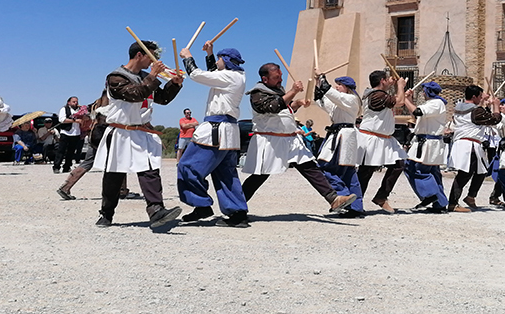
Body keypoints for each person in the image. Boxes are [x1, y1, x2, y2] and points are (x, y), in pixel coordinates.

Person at [241, 63, 356, 216]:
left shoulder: (277, 90)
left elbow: (284, 110)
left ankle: (333, 198)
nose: (280, 80)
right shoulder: (258, 93)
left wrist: (298, 103)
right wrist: (293, 92)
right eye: (276, 77)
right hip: (271, 141)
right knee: (260, 176)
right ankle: (237, 207)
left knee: (310, 168)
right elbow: (272, 108)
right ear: (265, 78)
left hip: (289, 139)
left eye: (281, 76)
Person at [92, 40, 184, 229]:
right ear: (139, 55)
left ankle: (156, 210)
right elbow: (136, 94)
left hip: (141, 131)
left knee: (150, 170)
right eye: (151, 56)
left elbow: (162, 99)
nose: (154, 61)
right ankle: (106, 214)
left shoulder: (145, 76)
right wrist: (153, 75)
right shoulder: (116, 77)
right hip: (120, 131)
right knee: (114, 176)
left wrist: (174, 85)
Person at [177, 43, 249, 227]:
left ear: (225, 60)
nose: (216, 62)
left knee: (187, 166)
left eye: (218, 58)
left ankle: (201, 204)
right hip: (227, 131)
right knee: (226, 174)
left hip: (216, 130)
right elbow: (213, 73)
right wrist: (209, 53)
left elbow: (197, 75)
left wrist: (187, 57)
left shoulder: (229, 76)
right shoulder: (235, 76)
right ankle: (238, 213)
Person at [356, 70, 407, 214]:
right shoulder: (376, 95)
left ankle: (381, 196)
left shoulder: (378, 95)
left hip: (383, 138)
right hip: (372, 138)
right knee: (366, 172)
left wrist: (399, 91)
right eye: (387, 79)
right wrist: (400, 86)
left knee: (398, 164)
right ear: (382, 81)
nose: (390, 80)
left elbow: (395, 101)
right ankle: (354, 204)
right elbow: (400, 102)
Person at [313, 73, 364, 218]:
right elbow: (322, 101)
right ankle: (355, 207)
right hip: (339, 135)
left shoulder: (351, 99)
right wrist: (318, 83)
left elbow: (334, 95)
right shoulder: (340, 102)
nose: (337, 87)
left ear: (347, 87)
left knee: (325, 166)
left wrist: (323, 80)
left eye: (339, 85)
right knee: (348, 172)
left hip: (344, 136)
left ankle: (343, 197)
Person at [446, 85, 501, 212]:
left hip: (467, 144)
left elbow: (479, 116)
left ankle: (470, 197)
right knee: (464, 174)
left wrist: (483, 103)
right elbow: (493, 119)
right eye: (480, 96)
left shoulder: (459, 108)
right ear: (474, 96)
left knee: (481, 172)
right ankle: (453, 203)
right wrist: (496, 106)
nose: (481, 98)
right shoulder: (475, 111)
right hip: (469, 145)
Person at [400, 81, 449, 213]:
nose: (422, 93)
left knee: (415, 168)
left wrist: (404, 99)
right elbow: (416, 116)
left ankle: (430, 195)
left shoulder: (436, 103)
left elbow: (417, 111)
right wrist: (409, 99)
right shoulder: (431, 104)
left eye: (423, 91)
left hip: (428, 142)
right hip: (426, 142)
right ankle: (439, 203)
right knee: (432, 172)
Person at [54, 97, 84, 174]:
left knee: (71, 151)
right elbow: (62, 120)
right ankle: (56, 166)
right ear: (69, 102)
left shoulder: (80, 110)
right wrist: (75, 120)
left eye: (76, 102)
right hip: (66, 133)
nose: (75, 103)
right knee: (61, 150)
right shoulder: (64, 109)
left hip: (76, 133)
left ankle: (67, 167)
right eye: (73, 102)